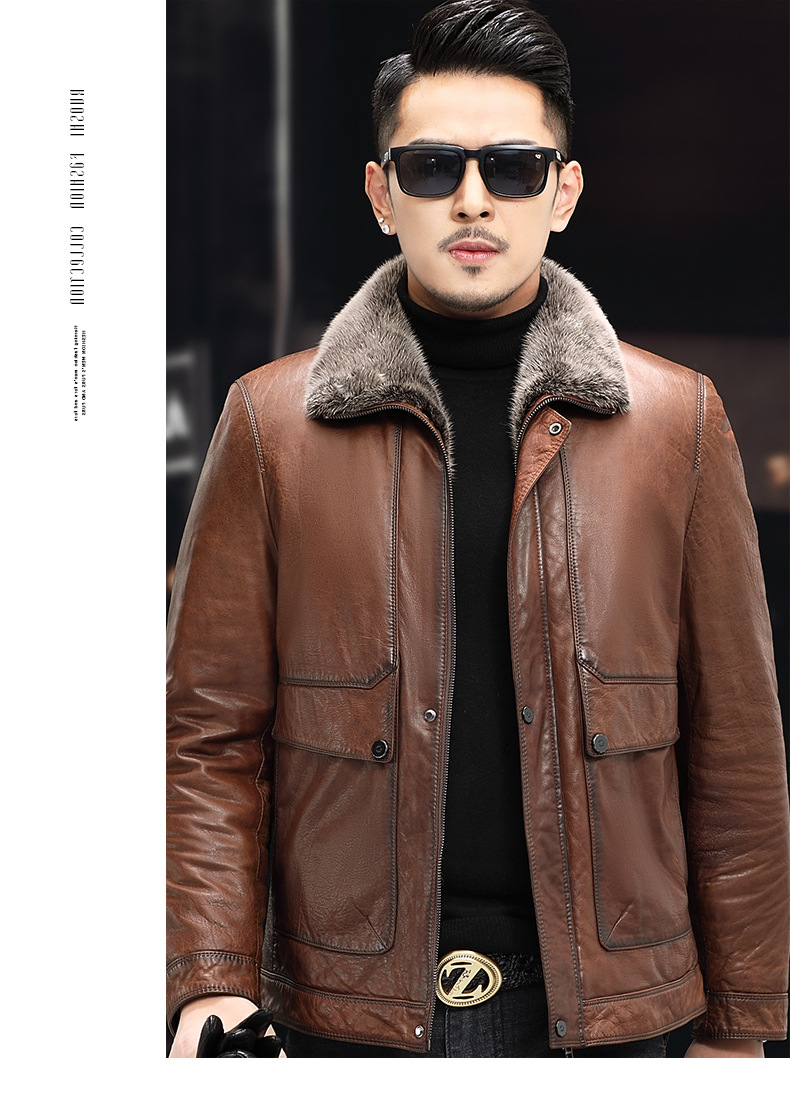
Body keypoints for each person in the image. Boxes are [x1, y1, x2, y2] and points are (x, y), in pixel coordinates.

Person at [166, 0, 789, 1058]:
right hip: (341, 1015)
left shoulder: (678, 423)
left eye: (512, 167)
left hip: (616, 1020)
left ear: (563, 192)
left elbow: (736, 751)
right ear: (380, 193)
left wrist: (741, 1029)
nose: (472, 199)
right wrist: (210, 982)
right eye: (430, 168)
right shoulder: (270, 425)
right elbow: (207, 739)